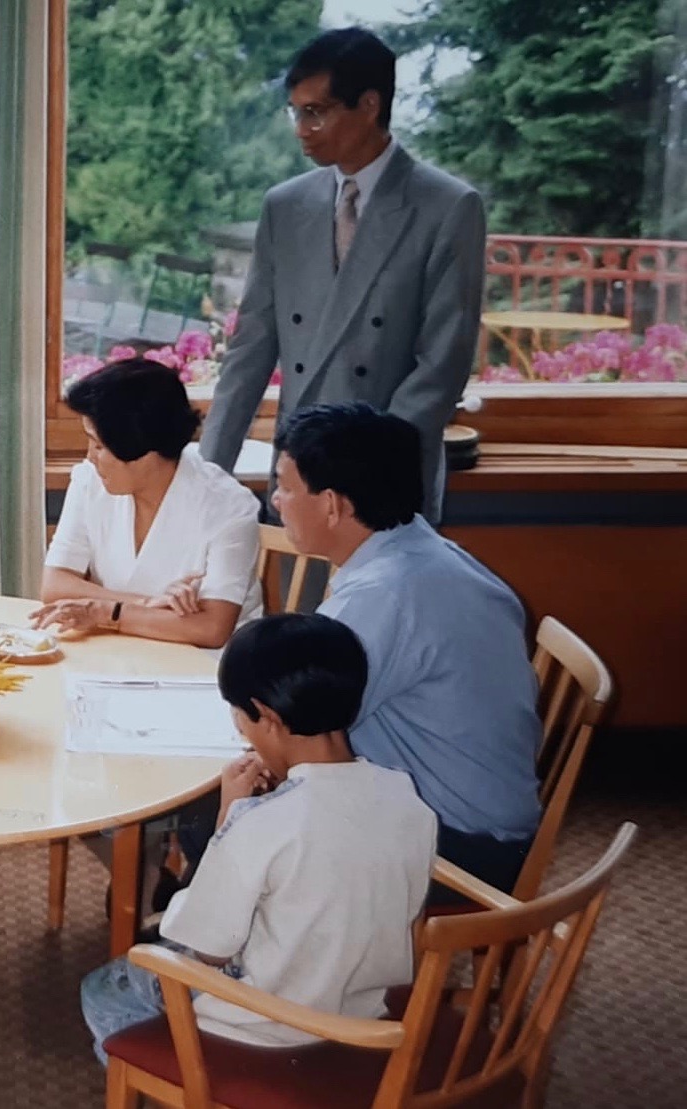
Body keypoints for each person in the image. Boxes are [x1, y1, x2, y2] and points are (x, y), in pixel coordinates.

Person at [80, 612, 437, 1058]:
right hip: (361, 1007)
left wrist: (230, 818)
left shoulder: (263, 821)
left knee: (103, 988)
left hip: (268, 1022)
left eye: (239, 717)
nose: (240, 729)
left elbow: (205, 946)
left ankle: (169, 1079)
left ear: (266, 717)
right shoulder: (406, 797)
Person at [199, 27, 486, 522]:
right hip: (300, 477)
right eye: (296, 111)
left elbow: (442, 364)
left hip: (386, 484)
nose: (301, 128)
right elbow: (251, 349)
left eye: (317, 111)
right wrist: (207, 474)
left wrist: (365, 472)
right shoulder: (285, 206)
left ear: (370, 105)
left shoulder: (448, 207)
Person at [274, 402, 542, 891]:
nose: (275, 500)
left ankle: (224, 955)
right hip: (495, 821)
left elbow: (295, 737)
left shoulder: (384, 596)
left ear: (332, 504)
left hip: (458, 850)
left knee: (223, 814)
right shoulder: (428, 554)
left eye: (286, 487)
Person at [32, 358, 262, 647]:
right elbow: (55, 586)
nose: (90, 456)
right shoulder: (90, 480)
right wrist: (148, 603)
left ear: (141, 448)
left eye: (99, 445)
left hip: (208, 669)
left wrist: (108, 611)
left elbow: (212, 628)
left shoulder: (228, 507)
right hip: (124, 650)